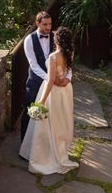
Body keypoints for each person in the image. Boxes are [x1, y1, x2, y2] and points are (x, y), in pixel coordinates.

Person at [19, 26, 77, 175]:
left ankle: (47, 154)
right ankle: (59, 150)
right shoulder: (70, 53)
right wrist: (66, 80)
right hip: (65, 92)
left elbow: (50, 80)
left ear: (57, 40)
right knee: (60, 121)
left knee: (48, 123)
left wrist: (41, 101)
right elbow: (68, 70)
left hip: (54, 92)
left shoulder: (53, 57)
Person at [20, 12, 69, 140]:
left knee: (49, 115)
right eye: (45, 24)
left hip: (53, 86)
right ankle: (24, 146)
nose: (48, 27)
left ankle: (43, 146)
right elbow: (33, 65)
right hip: (35, 82)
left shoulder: (56, 38)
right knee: (29, 111)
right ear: (37, 24)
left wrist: (68, 78)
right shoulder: (29, 40)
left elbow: (67, 61)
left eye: (50, 24)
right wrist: (51, 79)